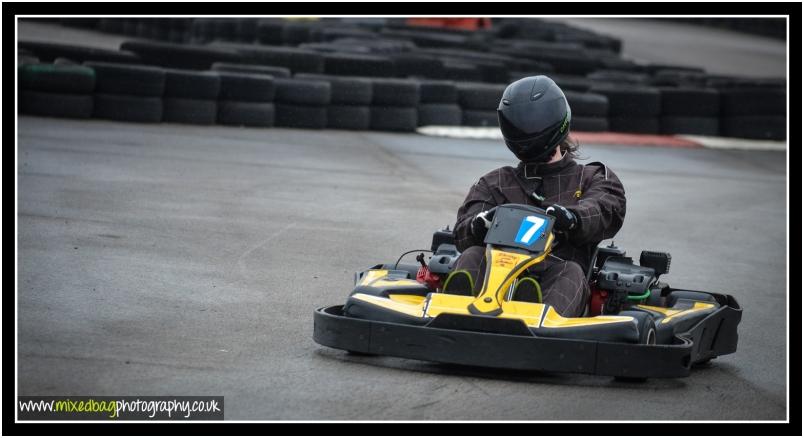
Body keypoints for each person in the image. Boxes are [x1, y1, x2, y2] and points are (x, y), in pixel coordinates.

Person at [444, 75, 627, 317]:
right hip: (494, 273)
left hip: (556, 270)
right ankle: (453, 313)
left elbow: (605, 209)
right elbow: (461, 234)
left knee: (570, 272)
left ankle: (533, 315)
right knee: (472, 255)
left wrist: (573, 218)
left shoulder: (592, 177)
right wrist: (478, 225)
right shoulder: (495, 182)